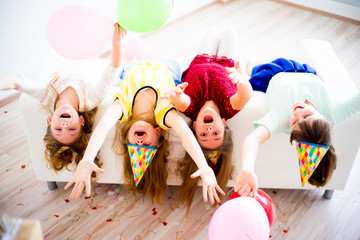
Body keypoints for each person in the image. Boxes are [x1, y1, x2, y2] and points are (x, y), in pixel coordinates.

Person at [64, 25, 225, 205]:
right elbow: (184, 132)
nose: (140, 142)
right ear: (157, 132)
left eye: (136, 145)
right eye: (147, 145)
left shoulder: (124, 108)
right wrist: (203, 166)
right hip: (169, 67)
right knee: (197, 61)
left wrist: (87, 159)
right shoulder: (163, 112)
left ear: (128, 137)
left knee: (120, 69)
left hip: (133, 66)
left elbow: (103, 125)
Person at [0, 23, 126, 178]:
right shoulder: (92, 99)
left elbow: (16, 82)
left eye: (58, 129)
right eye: (71, 129)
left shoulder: (46, 96)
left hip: (69, 49)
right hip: (91, 54)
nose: (65, 126)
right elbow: (114, 66)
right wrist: (116, 41)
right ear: (81, 121)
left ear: (50, 119)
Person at [234, 58, 360, 197]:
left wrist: (247, 169)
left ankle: (252, 68)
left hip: (274, 74)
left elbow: (252, 140)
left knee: (254, 69)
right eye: (306, 116)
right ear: (324, 118)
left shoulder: (281, 118)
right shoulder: (334, 113)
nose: (297, 113)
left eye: (294, 123)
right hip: (305, 71)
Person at [161, 29, 253, 208]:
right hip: (227, 63)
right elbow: (245, 97)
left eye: (203, 135)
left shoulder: (191, 109)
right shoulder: (228, 107)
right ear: (224, 123)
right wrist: (243, 82)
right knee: (231, 33)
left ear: (194, 126)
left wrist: (176, 95)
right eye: (216, 133)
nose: (209, 131)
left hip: (200, 60)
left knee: (210, 32)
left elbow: (182, 101)